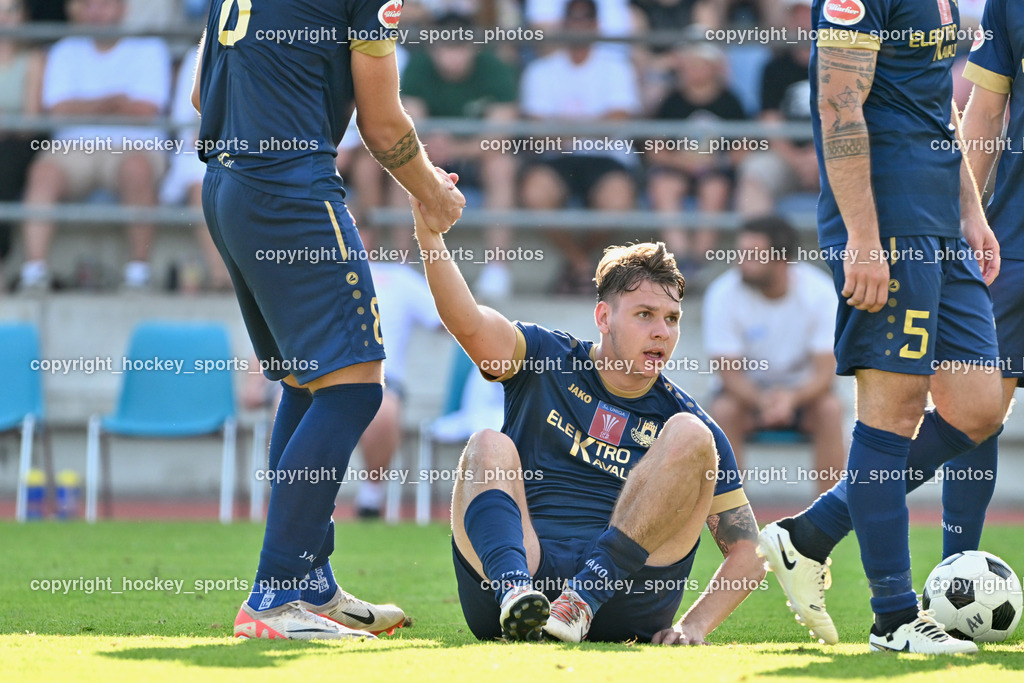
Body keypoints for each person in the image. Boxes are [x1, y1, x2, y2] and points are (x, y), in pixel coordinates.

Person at [193, 0, 465, 640]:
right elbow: (382, 122)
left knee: (307, 380)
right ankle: (275, 593)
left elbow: (204, 94)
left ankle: (308, 579)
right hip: (290, 191)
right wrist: (434, 193)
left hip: (227, 187)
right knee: (355, 387)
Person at [756, 0, 1005, 655]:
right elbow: (838, 106)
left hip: (941, 220)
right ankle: (893, 617)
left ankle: (810, 533)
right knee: (892, 413)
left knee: (979, 406)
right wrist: (863, 239)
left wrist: (971, 209)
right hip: (889, 222)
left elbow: (937, 104)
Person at [412, 197, 764, 643]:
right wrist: (429, 234)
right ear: (603, 317)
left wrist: (692, 626)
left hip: (622, 597)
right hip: (521, 575)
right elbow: (467, 323)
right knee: (486, 444)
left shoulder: (687, 422)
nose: (662, 331)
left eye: (672, 318)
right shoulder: (545, 357)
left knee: (692, 434)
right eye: (645, 315)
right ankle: (514, 594)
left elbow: (748, 552)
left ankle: (582, 598)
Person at [19, 0, 171, 290]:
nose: (96, 12)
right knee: (43, 174)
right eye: (90, 5)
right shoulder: (65, 49)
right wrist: (116, 101)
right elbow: (58, 111)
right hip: (74, 149)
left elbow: (146, 111)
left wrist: (85, 106)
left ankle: (139, 272)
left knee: (137, 169)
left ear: (123, 9)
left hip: (133, 147)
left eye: (104, 5)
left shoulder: (149, 47)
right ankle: (34, 273)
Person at [703, 216, 844, 493]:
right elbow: (728, 373)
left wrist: (791, 399)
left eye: (752, 254)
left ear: (782, 260)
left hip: (805, 397)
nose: (741, 261)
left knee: (830, 409)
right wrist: (764, 401)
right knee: (724, 411)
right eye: (741, 252)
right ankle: (730, 512)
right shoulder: (722, 292)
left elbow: (825, 372)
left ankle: (830, 511)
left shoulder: (820, 292)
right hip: (745, 397)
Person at [519, 0, 641, 293]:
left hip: (606, 158)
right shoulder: (541, 69)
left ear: (596, 25)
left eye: (586, 19)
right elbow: (537, 133)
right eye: (573, 19)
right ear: (563, 24)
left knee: (618, 201)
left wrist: (562, 127)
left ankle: (575, 265)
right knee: (535, 193)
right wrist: (593, 126)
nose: (579, 25)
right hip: (557, 158)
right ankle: (584, 266)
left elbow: (618, 122)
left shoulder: (616, 67)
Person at [401, 12, 519, 300]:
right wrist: (430, 146)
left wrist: (453, 148)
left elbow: (500, 136)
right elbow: (408, 125)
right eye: (446, 47)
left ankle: (497, 267)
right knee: (401, 165)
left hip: (475, 157)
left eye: (460, 47)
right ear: (432, 48)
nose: (453, 56)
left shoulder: (494, 68)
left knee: (501, 165)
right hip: (428, 155)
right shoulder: (417, 67)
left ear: (473, 46)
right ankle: (402, 264)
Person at [354, 258, 441, 518]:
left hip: (381, 378)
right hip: (319, 375)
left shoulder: (400, 278)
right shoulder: (316, 270)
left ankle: (370, 498)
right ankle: (295, 494)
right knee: (284, 402)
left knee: (385, 407)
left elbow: (446, 319)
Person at [0, 0, 45, 288]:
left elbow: (29, 123)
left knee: (3, 165)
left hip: (20, 143)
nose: (3, 19)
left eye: (10, 11)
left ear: (23, 17)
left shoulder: (34, 58)